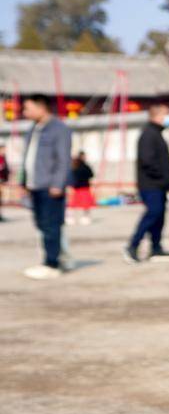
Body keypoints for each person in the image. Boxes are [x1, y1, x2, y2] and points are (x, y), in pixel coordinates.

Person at [20, 94, 72, 279]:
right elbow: (28, 158)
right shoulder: (33, 129)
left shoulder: (59, 129)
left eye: (27, 108)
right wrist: (24, 182)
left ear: (41, 107)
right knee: (42, 225)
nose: (24, 112)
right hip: (35, 184)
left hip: (50, 186)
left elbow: (63, 159)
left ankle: (52, 264)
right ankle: (60, 257)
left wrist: (58, 184)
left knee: (51, 225)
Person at [126, 99, 169, 264]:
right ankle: (132, 246)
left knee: (159, 216)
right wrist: (162, 177)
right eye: (166, 114)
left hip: (160, 185)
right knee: (153, 213)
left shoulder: (158, 134)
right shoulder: (148, 134)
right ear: (157, 115)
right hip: (151, 184)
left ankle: (156, 248)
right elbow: (147, 161)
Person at [70, 151, 96, 225]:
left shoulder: (76, 165)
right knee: (76, 204)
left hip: (82, 187)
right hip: (80, 187)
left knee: (83, 204)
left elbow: (91, 175)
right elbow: (91, 175)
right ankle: (74, 217)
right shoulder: (80, 166)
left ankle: (83, 217)